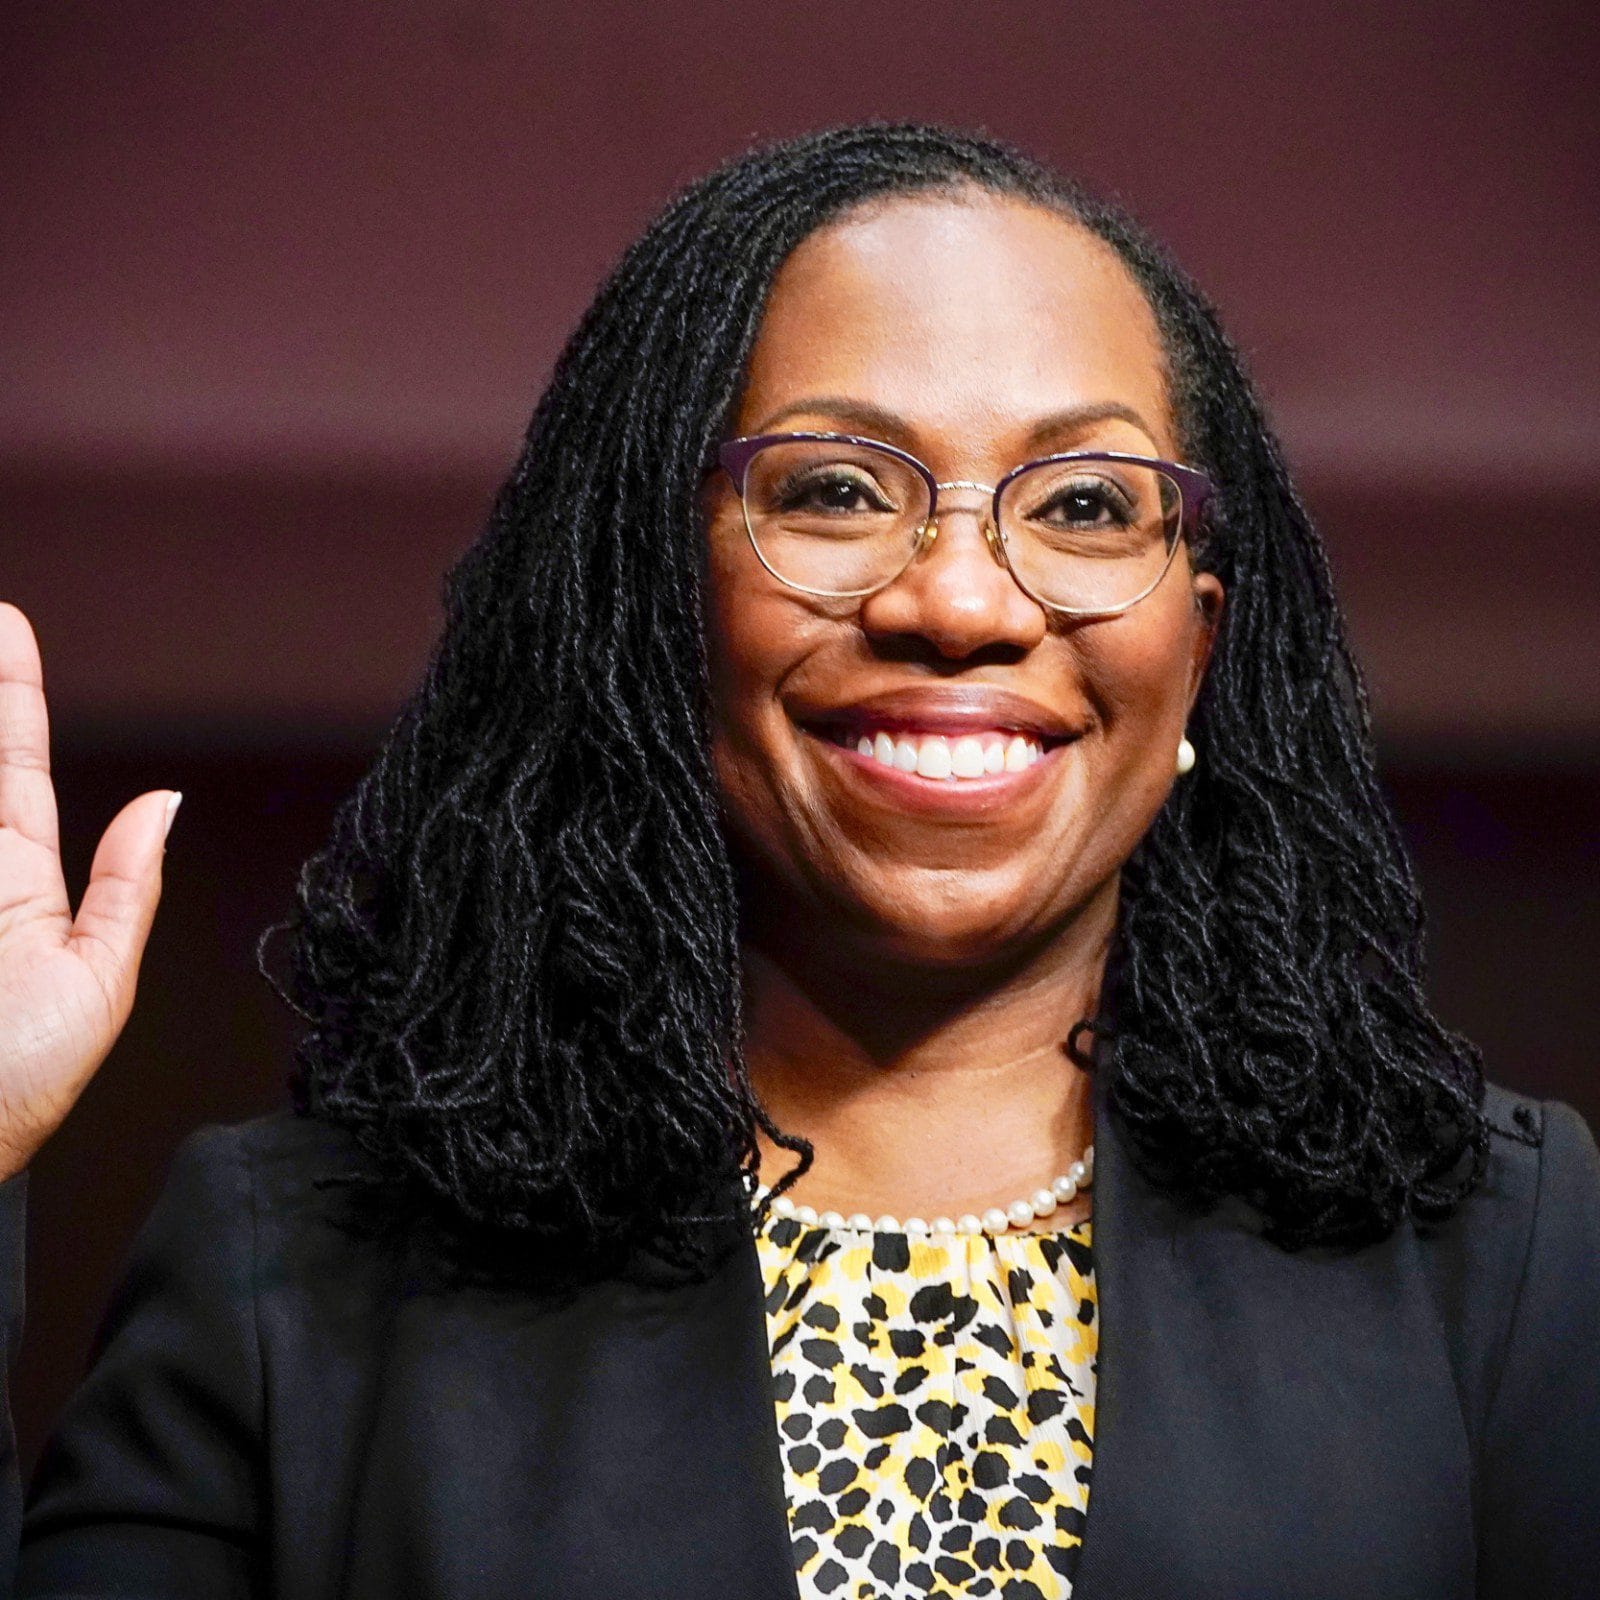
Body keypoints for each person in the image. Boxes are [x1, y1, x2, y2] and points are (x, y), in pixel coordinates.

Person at [1, 120, 1596, 1599]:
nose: (962, 604)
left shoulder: (1504, 1255)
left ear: (1202, 642)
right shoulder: (297, 1277)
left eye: (1090, 503)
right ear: (646, 606)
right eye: (835, 489)